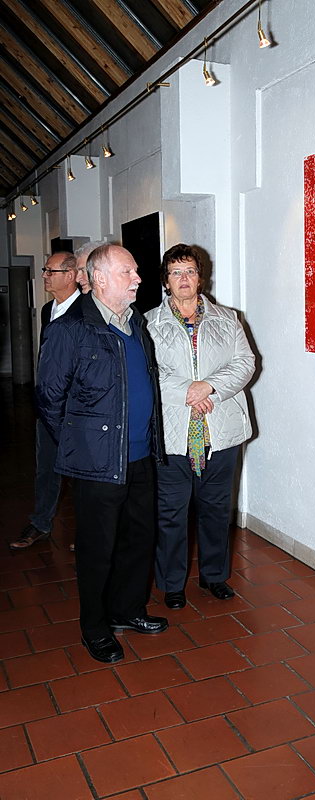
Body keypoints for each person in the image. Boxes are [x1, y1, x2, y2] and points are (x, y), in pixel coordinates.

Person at [36, 244, 168, 663]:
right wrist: (81, 447)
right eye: (129, 271)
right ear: (101, 277)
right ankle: (94, 627)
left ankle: (127, 610)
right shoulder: (70, 328)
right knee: (98, 549)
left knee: (139, 539)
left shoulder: (135, 322)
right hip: (97, 463)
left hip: (141, 455)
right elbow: (49, 398)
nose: (138, 278)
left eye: (136, 271)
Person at [145, 243, 255, 610]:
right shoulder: (148, 323)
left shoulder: (229, 318)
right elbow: (149, 372)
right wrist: (188, 392)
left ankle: (214, 576)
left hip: (221, 430)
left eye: (190, 271)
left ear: (200, 277)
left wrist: (209, 387)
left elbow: (245, 363)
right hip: (173, 433)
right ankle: (171, 583)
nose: (184, 279)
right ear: (166, 281)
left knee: (216, 509)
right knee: (171, 511)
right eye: (176, 273)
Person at [10, 252, 79, 550]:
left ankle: (87, 532)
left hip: (77, 408)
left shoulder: (87, 310)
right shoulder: (48, 309)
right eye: (45, 270)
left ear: (71, 275)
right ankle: (40, 523)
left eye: (50, 271)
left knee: (82, 474)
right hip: (49, 406)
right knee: (46, 467)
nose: (44, 276)